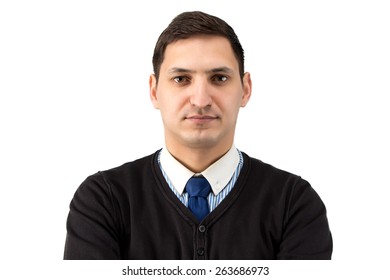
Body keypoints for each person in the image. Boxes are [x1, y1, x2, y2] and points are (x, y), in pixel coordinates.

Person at [64, 11, 332, 260]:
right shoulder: (103, 200)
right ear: (155, 91)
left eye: (219, 78)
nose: (201, 100)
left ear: (245, 89)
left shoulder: (293, 204)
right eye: (181, 79)